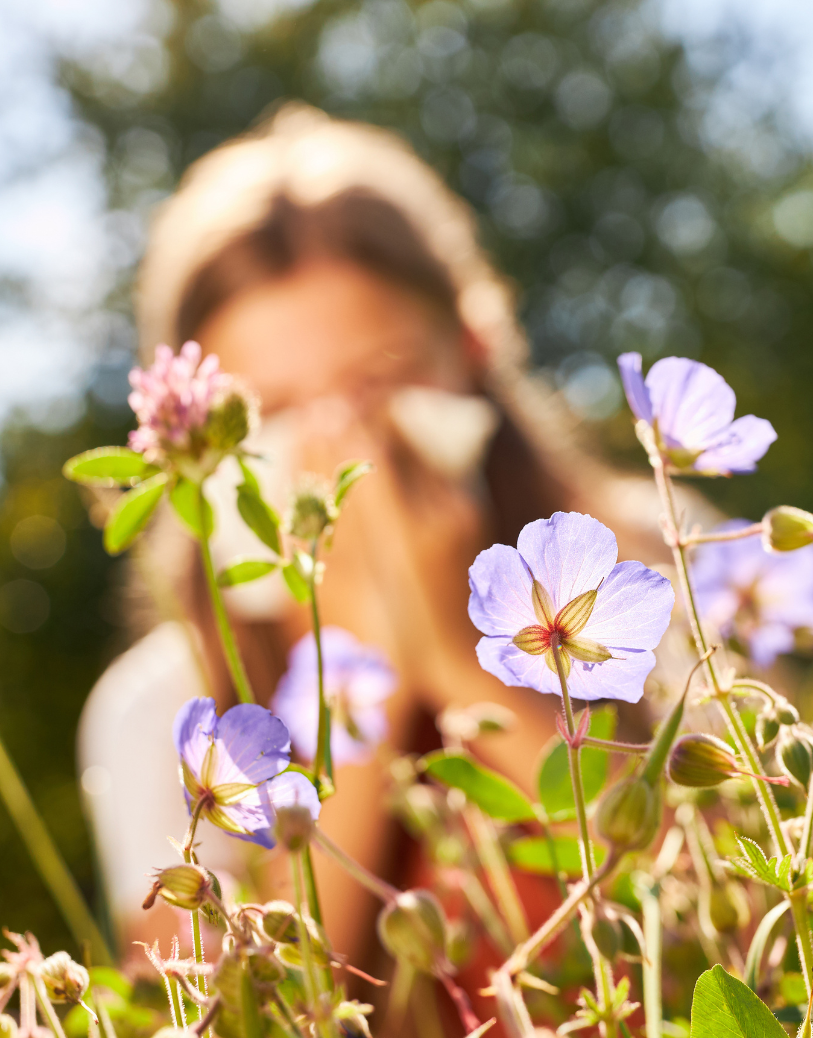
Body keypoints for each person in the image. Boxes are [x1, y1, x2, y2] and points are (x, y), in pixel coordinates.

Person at [77, 103, 712, 992]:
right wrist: (360, 677)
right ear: (192, 448)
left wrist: (456, 652)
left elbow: (728, 925)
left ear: (473, 347)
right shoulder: (158, 704)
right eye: (269, 415)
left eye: (378, 381)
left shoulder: (658, 558)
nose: (341, 445)